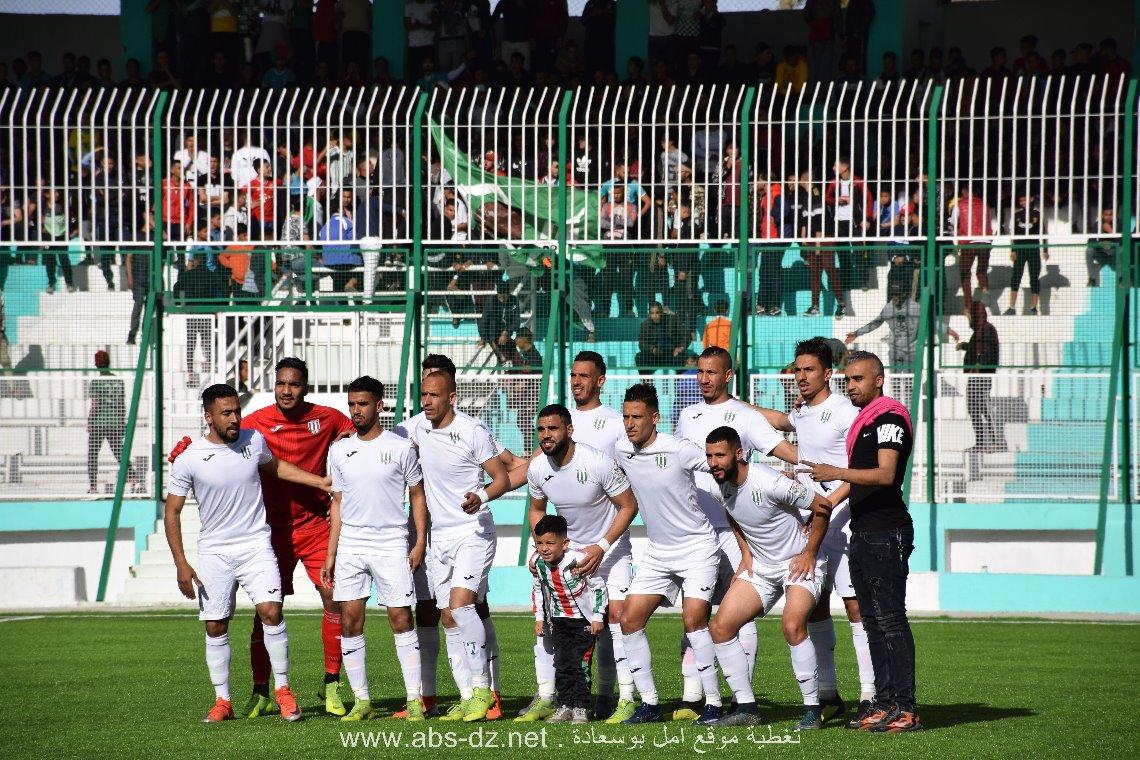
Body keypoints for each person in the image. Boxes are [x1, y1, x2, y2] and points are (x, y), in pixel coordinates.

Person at [168, 357, 357, 717]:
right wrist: (181, 455)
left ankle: (325, 684)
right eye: (281, 383)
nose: (286, 391)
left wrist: (328, 479)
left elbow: (354, 434)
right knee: (241, 618)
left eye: (294, 384)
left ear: (305, 387)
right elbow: (179, 499)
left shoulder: (318, 421)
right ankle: (252, 692)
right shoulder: (246, 430)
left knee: (323, 601)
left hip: (302, 529)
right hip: (263, 534)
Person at [392, 354, 530, 722]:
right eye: (423, 393)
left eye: (433, 394)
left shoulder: (472, 430)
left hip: (473, 531)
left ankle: (485, 690)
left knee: (463, 607)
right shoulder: (413, 429)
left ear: (452, 396)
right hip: (438, 538)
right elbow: (382, 445)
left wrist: (480, 496)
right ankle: (468, 695)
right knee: (449, 617)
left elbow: (502, 476)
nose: (426, 401)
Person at [753, 338, 874, 727]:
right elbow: (781, 421)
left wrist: (829, 502)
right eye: (797, 370)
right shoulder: (803, 412)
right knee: (816, 608)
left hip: (847, 522)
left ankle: (869, 695)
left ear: (828, 373)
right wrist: (734, 406)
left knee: (855, 608)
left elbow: (859, 470)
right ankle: (828, 694)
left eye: (808, 370)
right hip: (814, 524)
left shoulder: (844, 412)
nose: (801, 377)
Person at [799, 351, 922, 733]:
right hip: (864, 531)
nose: (850, 386)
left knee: (890, 621)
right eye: (848, 379)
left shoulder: (889, 418)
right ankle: (883, 704)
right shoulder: (865, 421)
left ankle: (906, 708)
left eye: (858, 379)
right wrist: (825, 503)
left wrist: (834, 472)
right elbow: (857, 481)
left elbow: (885, 475)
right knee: (872, 622)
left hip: (887, 531)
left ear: (878, 380)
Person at [671, 346, 797, 717]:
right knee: (694, 612)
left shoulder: (746, 416)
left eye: (711, 372)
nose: (704, 379)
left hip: (734, 530)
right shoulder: (688, 415)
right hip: (693, 529)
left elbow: (782, 449)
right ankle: (693, 696)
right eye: (700, 372)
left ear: (728, 376)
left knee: (739, 613)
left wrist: (814, 467)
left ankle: (742, 697)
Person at [704, 425, 834, 728]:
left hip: (798, 562)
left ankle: (812, 710)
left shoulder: (770, 481)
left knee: (792, 625)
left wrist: (810, 552)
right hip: (761, 567)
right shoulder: (718, 485)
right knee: (720, 628)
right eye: (709, 456)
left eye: (720, 455)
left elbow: (823, 505)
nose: (713, 463)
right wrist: (746, 553)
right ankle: (746, 708)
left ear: (739, 454)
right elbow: (732, 513)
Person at [321, 376, 429, 721]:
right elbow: (337, 501)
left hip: (391, 541)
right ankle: (362, 701)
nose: (356, 410)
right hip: (351, 544)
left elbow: (417, 495)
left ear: (379, 406)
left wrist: (419, 541)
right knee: (350, 620)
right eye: (352, 404)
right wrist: (331, 553)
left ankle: (414, 699)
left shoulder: (401, 447)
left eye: (363, 404)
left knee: (401, 617)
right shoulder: (339, 450)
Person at [615, 383, 723, 725]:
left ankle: (713, 704)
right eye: (626, 417)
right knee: (629, 620)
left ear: (655, 418)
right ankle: (649, 704)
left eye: (637, 417)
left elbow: (723, 466)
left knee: (694, 620)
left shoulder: (679, 449)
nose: (630, 424)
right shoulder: (621, 448)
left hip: (697, 547)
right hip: (659, 551)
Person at [522, 405, 638, 723]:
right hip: (567, 557)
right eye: (541, 429)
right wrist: (541, 547)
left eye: (553, 428)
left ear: (569, 430)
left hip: (610, 551)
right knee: (552, 623)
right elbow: (536, 509)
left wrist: (601, 547)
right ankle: (549, 697)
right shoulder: (537, 468)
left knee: (615, 618)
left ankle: (620, 697)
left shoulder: (598, 462)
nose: (546, 435)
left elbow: (629, 506)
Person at [531, 514, 609, 725]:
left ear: (564, 543)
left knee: (579, 664)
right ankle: (564, 705)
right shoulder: (538, 564)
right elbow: (538, 589)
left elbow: (599, 588)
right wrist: (540, 618)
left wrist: (597, 617)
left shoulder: (579, 560)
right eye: (539, 543)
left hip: (582, 622)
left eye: (550, 543)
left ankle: (580, 707)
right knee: (561, 663)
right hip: (558, 621)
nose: (544, 548)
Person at [949, 301, 1002, 452]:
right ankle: (981, 443)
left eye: (969, 316)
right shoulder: (980, 330)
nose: (968, 319)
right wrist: (964, 346)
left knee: (981, 408)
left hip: (981, 377)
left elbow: (987, 351)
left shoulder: (987, 329)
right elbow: (976, 347)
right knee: (975, 409)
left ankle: (993, 442)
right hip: (976, 377)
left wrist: (979, 366)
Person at [87, 350, 136, 495]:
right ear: (109, 362)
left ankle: (93, 487)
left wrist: (90, 421)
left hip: (99, 423)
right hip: (115, 422)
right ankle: (134, 479)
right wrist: (122, 421)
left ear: (96, 364)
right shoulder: (118, 380)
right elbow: (121, 404)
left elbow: (95, 404)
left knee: (92, 455)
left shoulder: (96, 381)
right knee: (120, 453)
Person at [952, 184, 993, 313]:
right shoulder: (984, 204)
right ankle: (984, 289)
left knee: (964, 272)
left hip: (969, 241)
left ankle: (968, 305)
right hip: (985, 240)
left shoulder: (959, 204)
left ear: (964, 191)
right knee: (982, 270)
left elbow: (953, 221)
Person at [1006, 192, 1046, 315]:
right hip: (1019, 248)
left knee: (1034, 277)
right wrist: (1013, 250)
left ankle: (1033, 307)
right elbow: (1013, 234)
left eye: (1025, 200)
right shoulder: (1017, 215)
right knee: (1016, 276)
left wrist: (1045, 250)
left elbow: (1044, 233)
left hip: (1033, 248)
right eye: (1021, 200)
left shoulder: (1037, 214)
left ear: (1031, 199)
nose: (1023, 202)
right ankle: (1011, 307)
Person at [635, 302, 689, 369]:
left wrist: (681, 348)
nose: (655, 316)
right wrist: (652, 349)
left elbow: (686, 335)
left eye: (657, 313)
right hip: (654, 355)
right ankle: (647, 376)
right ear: (649, 314)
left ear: (662, 312)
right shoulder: (645, 325)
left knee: (683, 357)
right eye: (652, 313)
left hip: (672, 354)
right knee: (639, 357)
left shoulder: (673, 320)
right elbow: (641, 344)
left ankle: (679, 376)